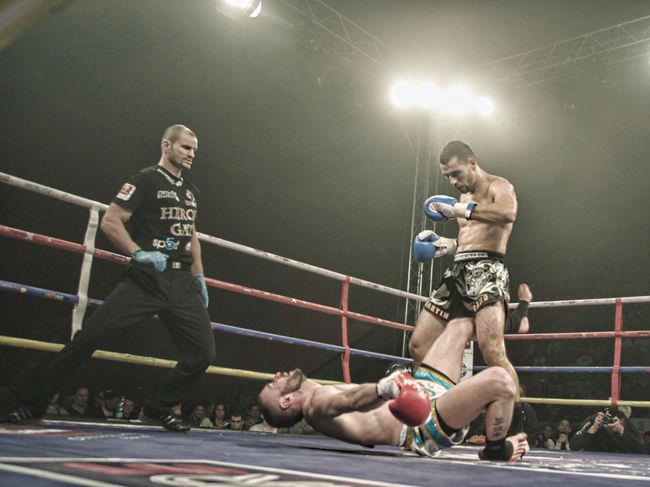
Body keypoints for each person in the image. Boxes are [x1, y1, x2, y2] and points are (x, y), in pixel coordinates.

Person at [2, 124, 215, 433]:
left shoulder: (191, 191)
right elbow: (111, 220)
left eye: (194, 149)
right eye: (186, 147)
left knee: (203, 353)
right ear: (166, 146)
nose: (191, 153)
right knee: (89, 337)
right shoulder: (144, 180)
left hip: (182, 282)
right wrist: (138, 252)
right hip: (146, 280)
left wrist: (200, 276)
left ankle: (157, 408)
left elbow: (191, 235)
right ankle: (30, 402)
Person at [258, 317, 529, 461]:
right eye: (273, 384)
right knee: (501, 380)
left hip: (422, 390)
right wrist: (385, 387)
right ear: (286, 402)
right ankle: (496, 450)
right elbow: (350, 400)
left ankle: (517, 320)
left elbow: (360, 425)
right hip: (421, 424)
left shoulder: (320, 398)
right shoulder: (315, 406)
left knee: (461, 325)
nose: (277, 376)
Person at [410, 140, 519, 398]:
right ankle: (440, 410)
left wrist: (460, 210)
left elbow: (507, 212)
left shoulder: (498, 186)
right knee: (418, 345)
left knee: (492, 351)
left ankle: (518, 417)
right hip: (458, 271)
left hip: (488, 270)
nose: (452, 181)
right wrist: (444, 246)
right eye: (447, 176)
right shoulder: (463, 198)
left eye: (456, 174)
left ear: (472, 163)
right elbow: (469, 238)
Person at [570, 407, 643, 453]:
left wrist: (622, 431)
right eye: (610, 417)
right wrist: (593, 428)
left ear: (623, 420)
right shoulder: (593, 420)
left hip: (620, 460)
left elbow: (640, 450)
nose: (613, 422)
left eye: (621, 418)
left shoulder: (628, 425)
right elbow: (573, 446)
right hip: (593, 457)